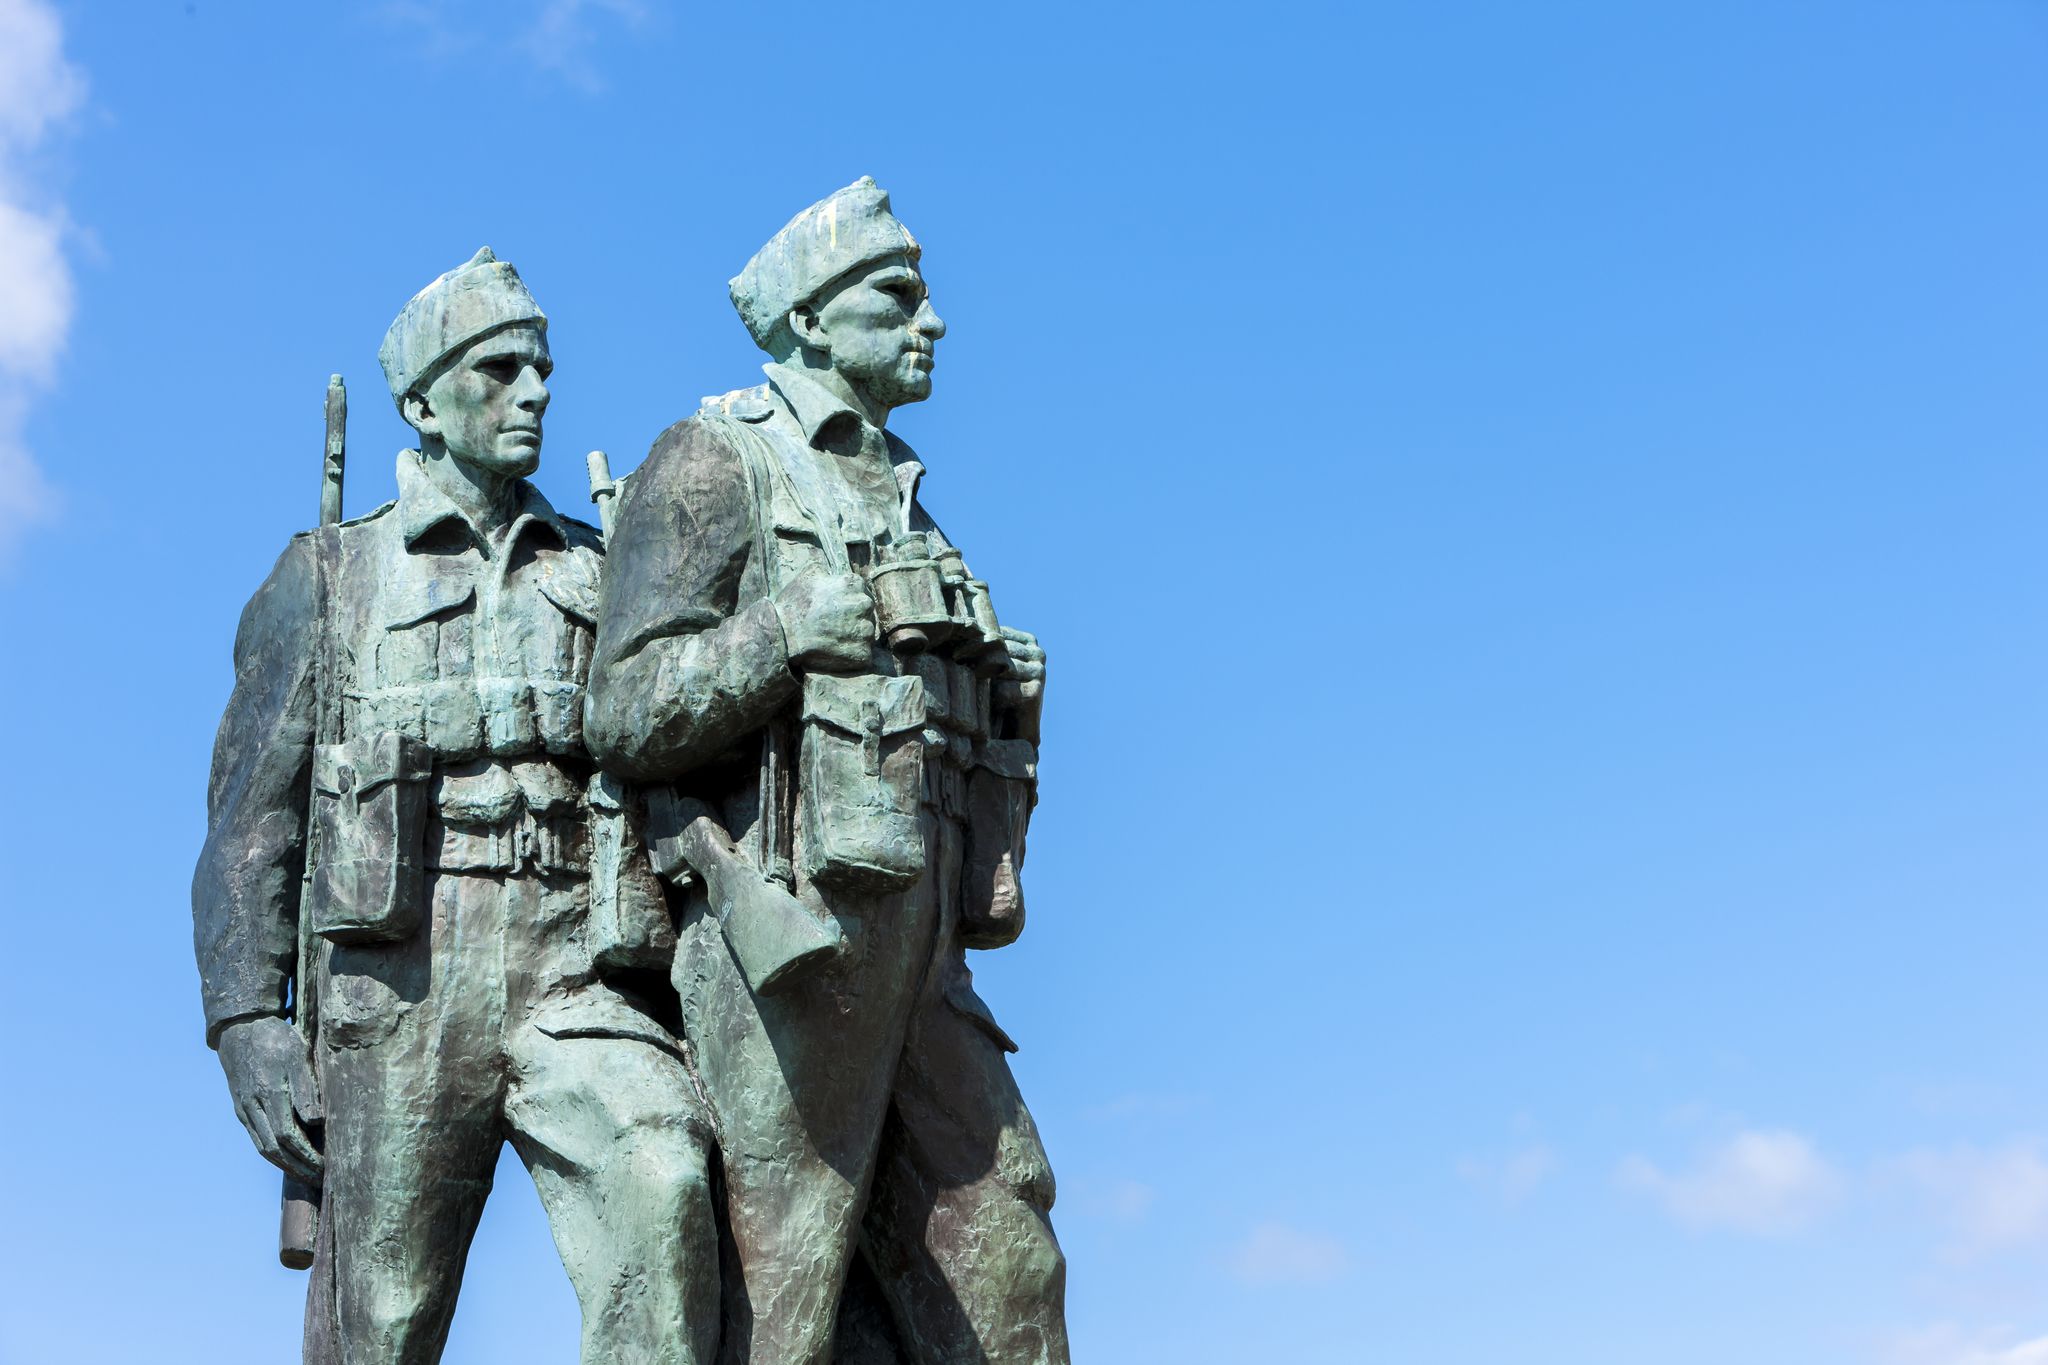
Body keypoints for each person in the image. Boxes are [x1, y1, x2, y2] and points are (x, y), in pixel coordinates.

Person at [192, 248, 717, 1365]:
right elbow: (251, 824)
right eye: (497, 369)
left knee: (663, 1179)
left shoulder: (599, 567)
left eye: (541, 368)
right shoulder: (331, 576)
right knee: (381, 1320)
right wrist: (248, 1025)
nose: (532, 392)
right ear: (422, 401)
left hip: (577, 964)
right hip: (400, 979)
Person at [587, 179, 1070, 1365]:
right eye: (897, 297)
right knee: (782, 1292)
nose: (933, 322)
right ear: (811, 318)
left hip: (924, 940)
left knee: (1009, 1242)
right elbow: (623, 712)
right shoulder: (716, 458)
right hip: (794, 940)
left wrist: (1006, 691)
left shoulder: (910, 501)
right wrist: (780, 631)